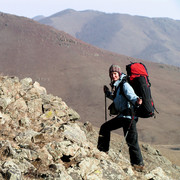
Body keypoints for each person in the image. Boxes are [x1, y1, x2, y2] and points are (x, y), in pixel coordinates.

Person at [97, 64, 144, 171]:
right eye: (111, 74)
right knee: (105, 128)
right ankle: (102, 152)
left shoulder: (124, 85)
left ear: (119, 74)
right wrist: (107, 93)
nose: (113, 76)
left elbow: (131, 96)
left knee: (132, 142)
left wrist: (137, 100)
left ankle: (138, 165)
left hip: (129, 117)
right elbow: (116, 98)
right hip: (122, 116)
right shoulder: (117, 86)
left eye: (115, 74)